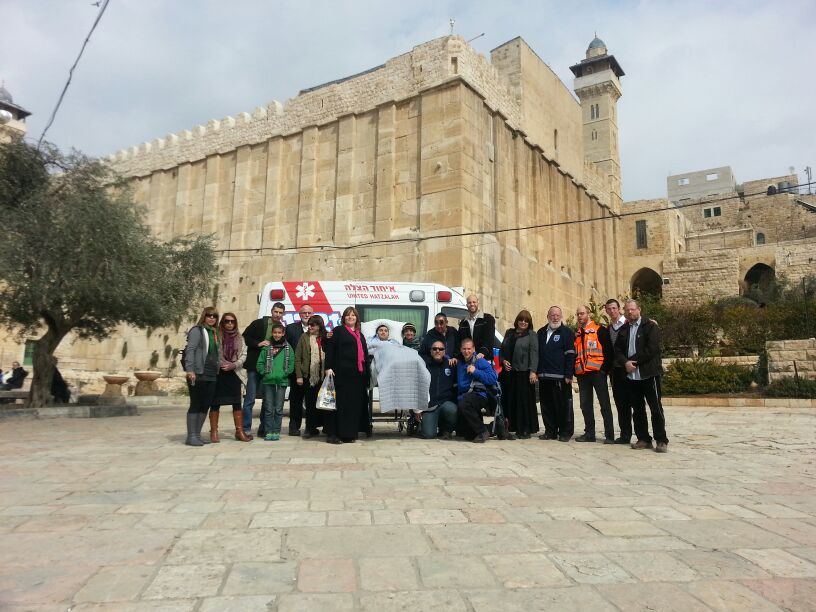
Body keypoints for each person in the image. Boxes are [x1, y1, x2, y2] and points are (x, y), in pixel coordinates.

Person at [614, 299, 669, 453]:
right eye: (627, 310)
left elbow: (651, 349)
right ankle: (643, 438)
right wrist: (625, 363)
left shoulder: (650, 326)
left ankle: (661, 440)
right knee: (637, 410)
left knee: (655, 408)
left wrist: (633, 362)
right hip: (632, 377)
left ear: (639, 309)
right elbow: (617, 350)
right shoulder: (624, 329)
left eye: (632, 309)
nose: (630, 312)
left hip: (649, 374)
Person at [324, 307, 370, 444]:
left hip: (357, 376)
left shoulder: (360, 335)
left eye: (353, 315)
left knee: (352, 406)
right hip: (341, 374)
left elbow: (365, 354)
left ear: (357, 318)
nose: (351, 317)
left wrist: (366, 373)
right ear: (343, 318)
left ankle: (348, 434)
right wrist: (328, 367)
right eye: (348, 315)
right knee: (339, 405)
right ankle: (334, 434)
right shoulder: (338, 331)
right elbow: (330, 349)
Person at [242, 301, 285, 437]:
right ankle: (245, 428)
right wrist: (258, 343)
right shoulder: (259, 323)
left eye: (280, 313)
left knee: (267, 401)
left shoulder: (281, 328)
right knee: (250, 399)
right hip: (255, 367)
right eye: (276, 311)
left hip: (269, 369)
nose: (277, 314)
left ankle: (263, 428)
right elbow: (245, 336)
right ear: (271, 311)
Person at [573, 305, 615, 444]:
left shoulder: (600, 330)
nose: (580, 316)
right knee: (585, 405)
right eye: (578, 314)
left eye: (582, 313)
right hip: (582, 374)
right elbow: (576, 354)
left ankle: (609, 435)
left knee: (604, 404)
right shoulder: (577, 334)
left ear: (589, 314)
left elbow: (608, 352)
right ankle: (589, 434)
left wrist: (604, 370)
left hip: (597, 373)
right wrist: (575, 371)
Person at [210, 312, 251, 442]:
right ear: (222, 322)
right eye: (227, 321)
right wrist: (221, 363)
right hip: (219, 373)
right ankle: (214, 432)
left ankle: (239, 431)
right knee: (215, 403)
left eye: (232, 321)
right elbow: (212, 352)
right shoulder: (216, 336)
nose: (229, 324)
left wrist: (234, 365)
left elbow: (244, 354)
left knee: (236, 402)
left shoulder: (240, 337)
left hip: (234, 373)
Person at [536, 306, 575, 442]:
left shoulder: (567, 332)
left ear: (561, 317)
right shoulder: (541, 332)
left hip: (560, 377)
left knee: (563, 406)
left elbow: (570, 354)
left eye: (558, 315)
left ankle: (565, 432)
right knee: (546, 406)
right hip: (543, 376)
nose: (555, 318)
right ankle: (550, 431)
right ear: (548, 316)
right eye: (552, 315)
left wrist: (569, 374)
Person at [183, 307, 220, 447]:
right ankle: (191, 436)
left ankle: (197, 435)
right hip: (198, 372)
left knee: (206, 404)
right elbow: (190, 350)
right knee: (196, 403)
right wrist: (190, 370)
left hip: (212, 373)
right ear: (204, 316)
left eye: (214, 316)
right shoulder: (197, 330)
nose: (212, 318)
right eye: (209, 315)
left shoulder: (215, 333)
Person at [500, 310, 539, 439]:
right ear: (517, 320)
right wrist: (503, 361)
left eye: (526, 321)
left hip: (524, 373)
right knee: (511, 400)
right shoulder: (509, 333)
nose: (523, 322)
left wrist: (533, 371)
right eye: (521, 320)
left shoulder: (532, 335)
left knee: (524, 403)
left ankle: (525, 429)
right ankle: (512, 427)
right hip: (509, 374)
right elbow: (502, 350)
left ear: (529, 323)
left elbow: (534, 353)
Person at [257, 323, 294, 441]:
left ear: (283, 333)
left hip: (282, 382)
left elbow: (291, 363)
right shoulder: (267, 347)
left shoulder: (288, 348)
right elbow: (260, 362)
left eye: (279, 333)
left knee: (278, 409)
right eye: (275, 332)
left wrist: (285, 373)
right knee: (268, 408)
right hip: (268, 381)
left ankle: (276, 431)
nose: (277, 335)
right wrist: (264, 372)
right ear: (272, 333)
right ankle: (268, 431)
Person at [456, 338, 497, 443]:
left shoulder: (480, 361)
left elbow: (493, 378)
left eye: (469, 349)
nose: (466, 351)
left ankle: (482, 431)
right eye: (464, 349)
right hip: (465, 395)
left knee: (464, 403)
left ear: (473, 349)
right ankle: (495, 427)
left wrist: (476, 371)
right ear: (460, 349)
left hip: (480, 394)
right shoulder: (459, 362)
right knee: (468, 435)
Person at [294, 315, 328, 439]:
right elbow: (297, 357)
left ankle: (327, 427)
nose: (310, 327)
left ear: (319, 326)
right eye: (309, 325)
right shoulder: (304, 337)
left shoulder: (326, 337)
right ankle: (310, 428)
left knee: (326, 404)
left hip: (324, 376)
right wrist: (299, 375)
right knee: (310, 404)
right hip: (309, 376)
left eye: (312, 325)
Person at [605, 298, 632, 444]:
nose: (612, 311)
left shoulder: (628, 324)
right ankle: (625, 434)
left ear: (619, 308)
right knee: (621, 403)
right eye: (609, 309)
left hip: (629, 369)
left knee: (635, 403)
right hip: (615, 371)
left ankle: (642, 436)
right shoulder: (609, 328)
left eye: (614, 308)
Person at [285, 303, 314, 436]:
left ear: (313, 314)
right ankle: (294, 427)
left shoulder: (317, 328)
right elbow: (287, 349)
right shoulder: (291, 329)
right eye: (304, 313)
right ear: (299, 314)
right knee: (296, 401)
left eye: (309, 313)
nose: (306, 315)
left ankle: (311, 427)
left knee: (311, 402)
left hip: (312, 372)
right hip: (296, 372)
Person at [421, 340, 458, 439]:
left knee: (453, 410)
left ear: (444, 351)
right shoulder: (424, 365)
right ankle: (423, 425)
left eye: (441, 349)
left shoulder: (451, 365)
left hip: (445, 402)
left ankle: (446, 430)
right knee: (428, 435)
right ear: (431, 351)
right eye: (435, 349)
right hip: (430, 405)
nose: (438, 351)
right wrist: (417, 410)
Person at [457, 294, 496, 360]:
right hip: (468, 359)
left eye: (474, 302)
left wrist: (482, 353)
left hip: (485, 358)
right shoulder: (463, 323)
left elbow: (489, 339)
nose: (472, 304)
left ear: (478, 303)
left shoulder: (488, 319)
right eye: (469, 303)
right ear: (467, 305)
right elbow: (461, 341)